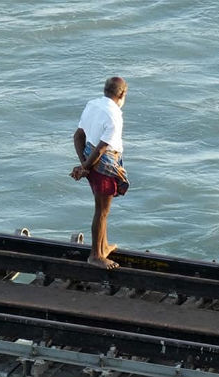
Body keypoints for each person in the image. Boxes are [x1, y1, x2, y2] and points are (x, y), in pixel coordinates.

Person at [69, 77, 129, 270]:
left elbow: (79, 135)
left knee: (102, 208)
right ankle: (96, 255)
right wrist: (86, 166)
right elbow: (103, 148)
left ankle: (103, 246)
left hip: (91, 159)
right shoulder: (114, 115)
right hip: (103, 165)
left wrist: (84, 165)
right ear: (122, 94)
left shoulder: (92, 105)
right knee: (102, 211)